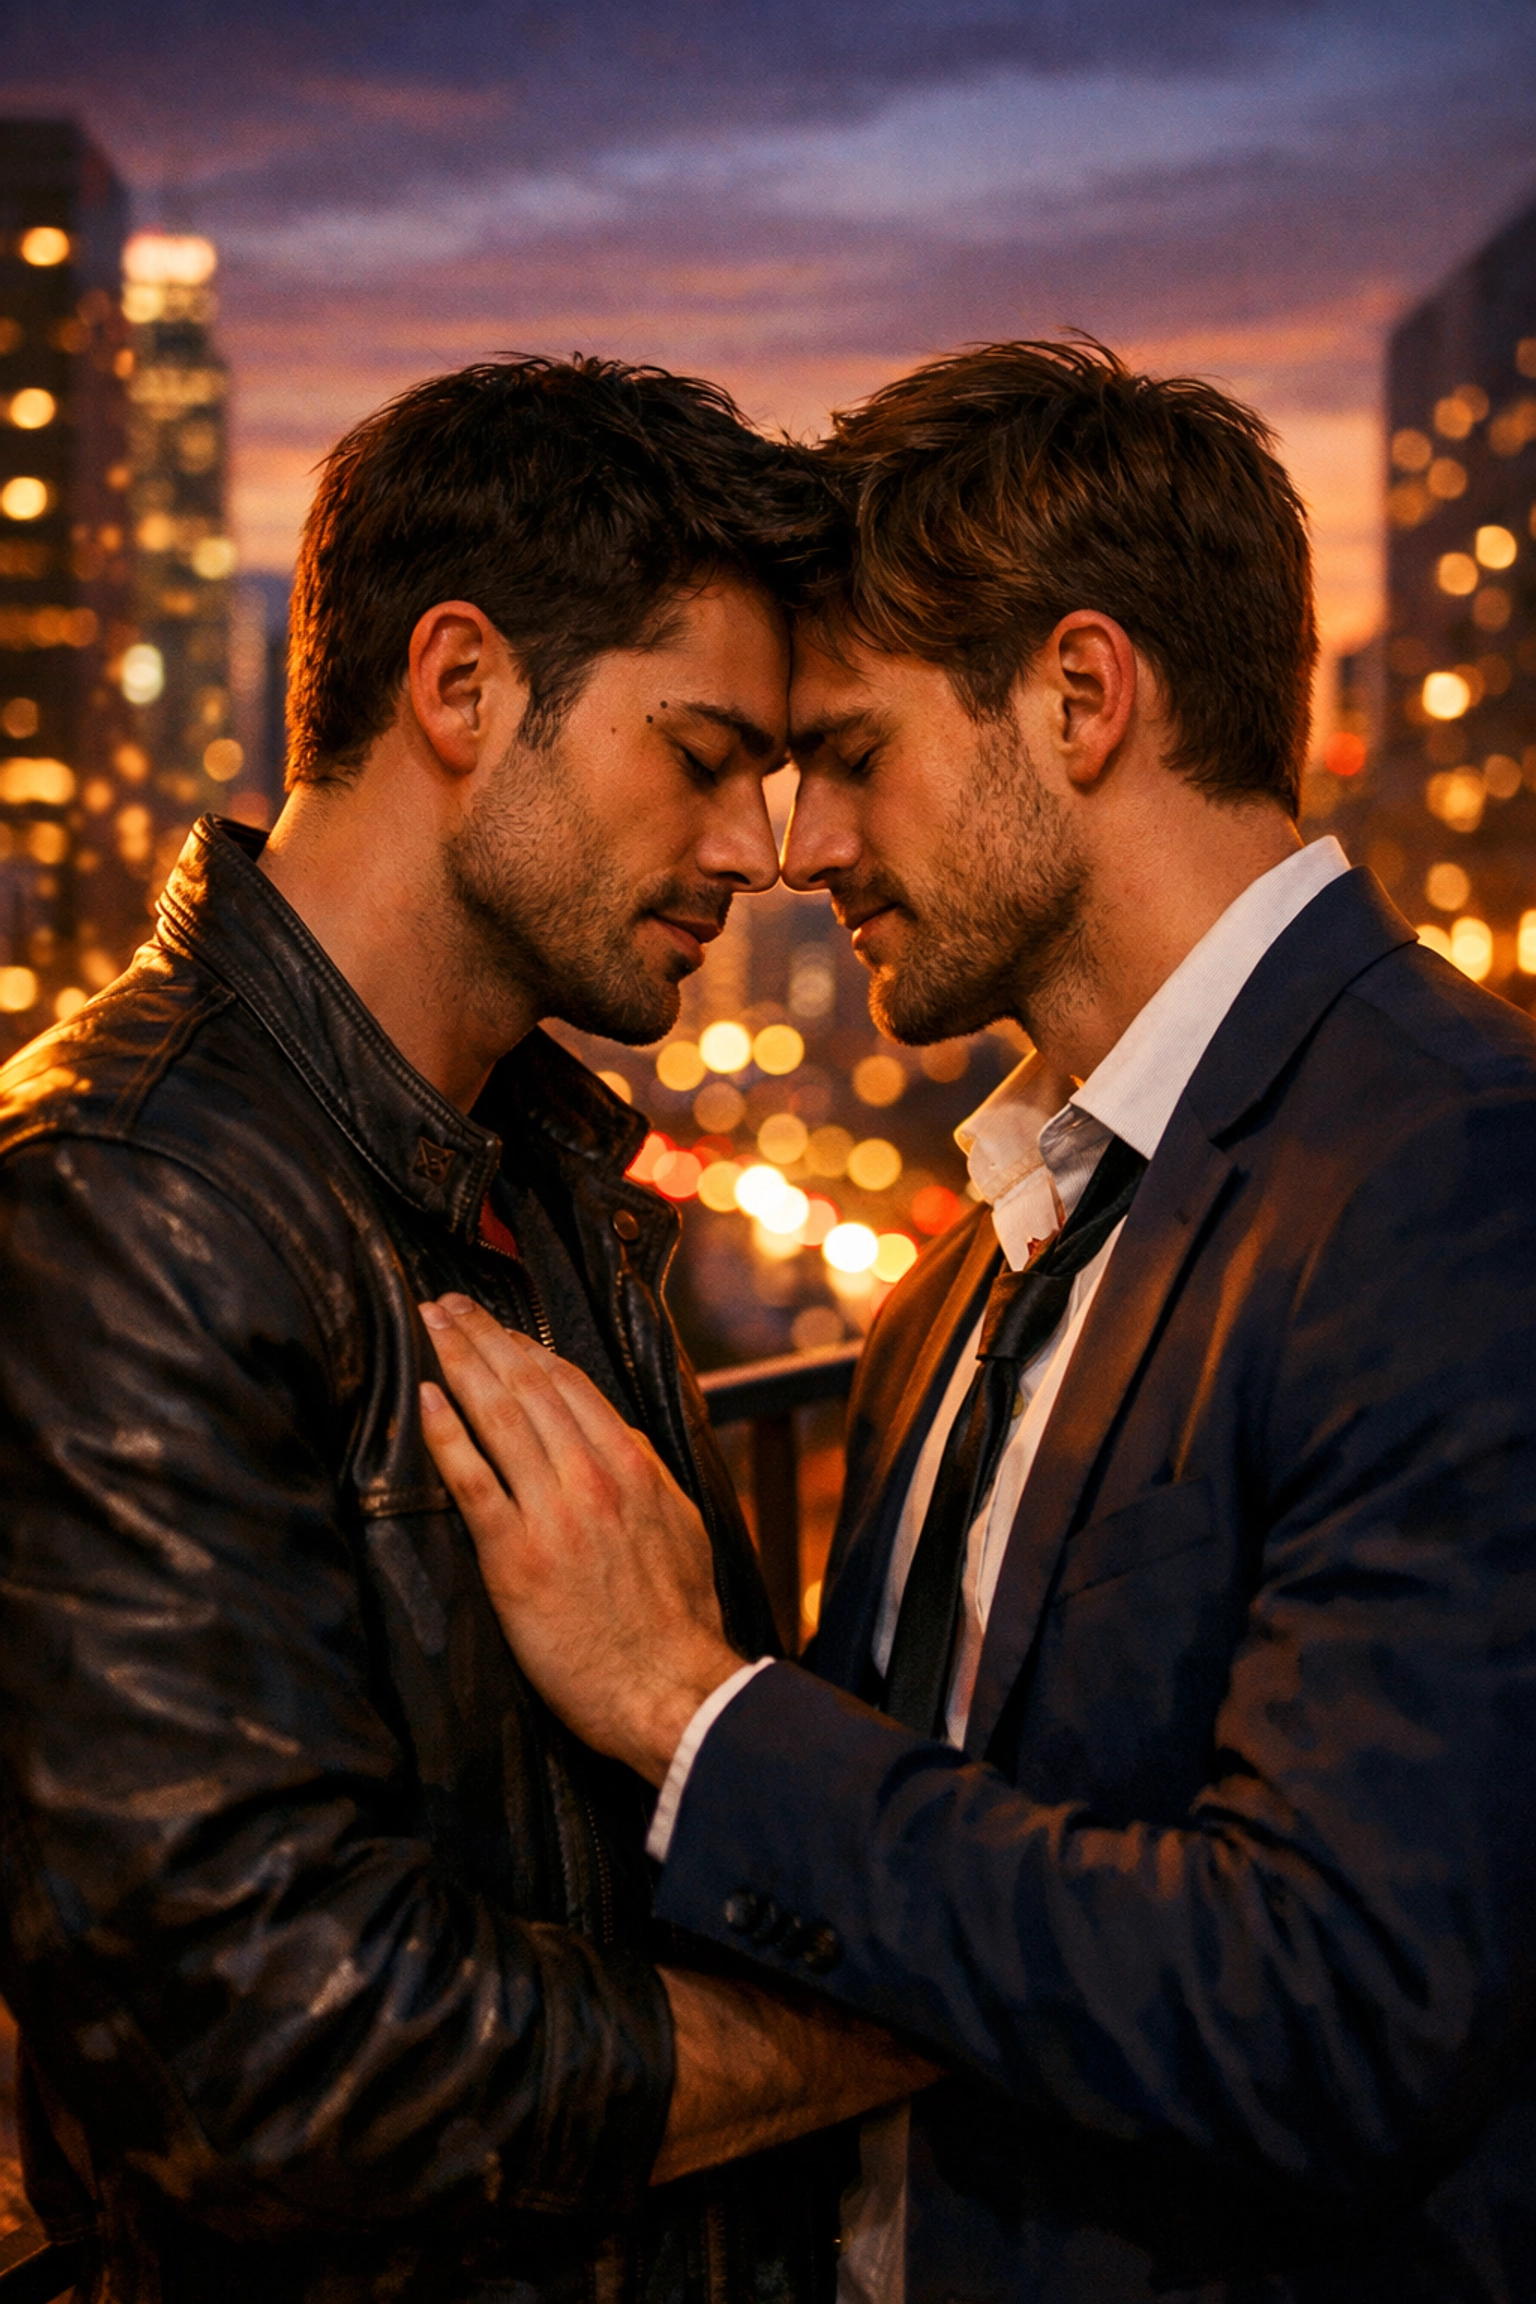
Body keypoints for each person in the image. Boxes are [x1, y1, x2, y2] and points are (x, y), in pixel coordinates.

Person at [418, 341, 1536, 2303]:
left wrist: (693, 1707)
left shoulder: (1454, 1176)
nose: (793, 849)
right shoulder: (971, 1264)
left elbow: (1340, 2010)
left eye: (850, 754)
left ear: (1083, 697)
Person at [0, 355, 932, 2304]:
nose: (757, 856)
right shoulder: (114, 1204)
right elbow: (269, 2062)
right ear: (459, 688)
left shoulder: (536, 1162)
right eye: (700, 756)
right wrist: (924, 2012)